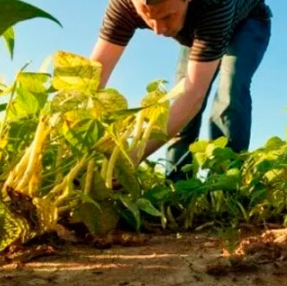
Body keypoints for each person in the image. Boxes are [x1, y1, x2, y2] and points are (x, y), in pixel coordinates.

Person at [90, 0, 272, 182]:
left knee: (230, 89)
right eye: (147, 17)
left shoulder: (215, 4)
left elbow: (194, 95)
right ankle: (176, 186)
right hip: (197, 28)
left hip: (247, 22)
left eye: (167, 16)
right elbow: (94, 76)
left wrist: (132, 157)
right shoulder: (124, 5)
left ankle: (224, 185)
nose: (158, 30)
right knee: (179, 102)